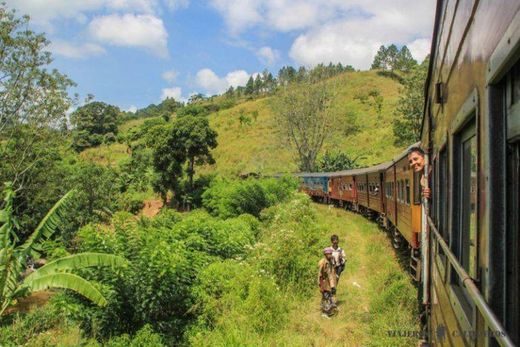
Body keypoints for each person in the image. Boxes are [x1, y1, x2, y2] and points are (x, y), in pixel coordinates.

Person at [318, 247, 337, 317]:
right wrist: (320, 285)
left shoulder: (329, 261)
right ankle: (325, 313)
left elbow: (330, 274)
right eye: (328, 254)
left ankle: (329, 310)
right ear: (325, 254)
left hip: (328, 282)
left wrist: (332, 286)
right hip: (324, 282)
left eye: (331, 254)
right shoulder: (322, 263)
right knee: (326, 297)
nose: (330, 255)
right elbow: (319, 275)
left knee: (329, 296)